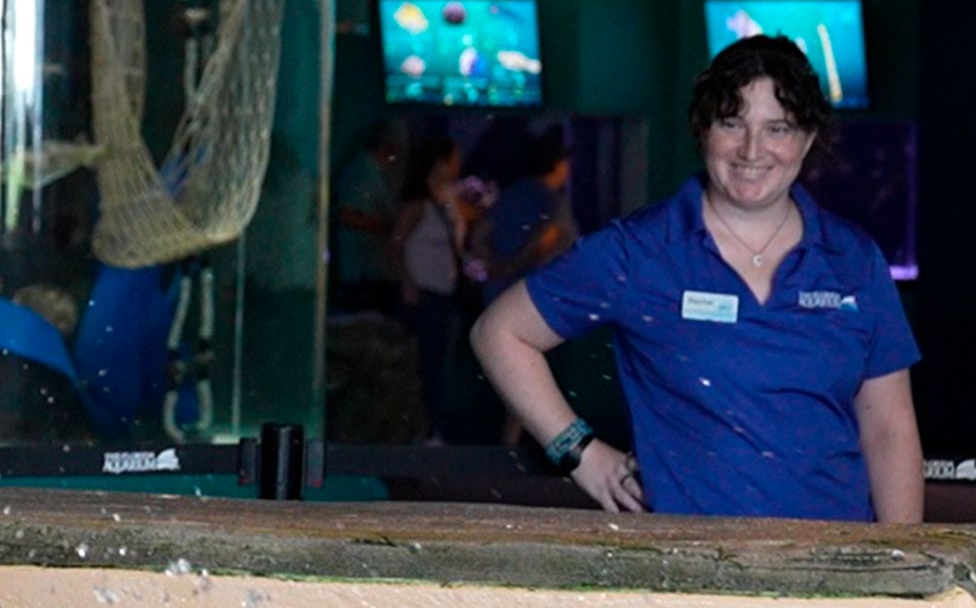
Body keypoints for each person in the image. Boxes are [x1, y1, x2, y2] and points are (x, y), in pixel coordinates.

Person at [469, 36, 922, 521]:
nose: (752, 149)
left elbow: (889, 431)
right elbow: (499, 333)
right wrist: (582, 455)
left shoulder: (853, 259)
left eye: (778, 128)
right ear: (703, 129)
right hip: (692, 572)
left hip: (832, 571)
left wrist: (906, 573)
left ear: (807, 139)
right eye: (732, 122)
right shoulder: (642, 250)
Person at [388, 138, 465, 443]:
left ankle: (430, 428)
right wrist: (407, 281)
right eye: (454, 158)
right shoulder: (419, 204)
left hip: (442, 292)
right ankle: (422, 431)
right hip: (423, 293)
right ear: (441, 162)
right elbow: (395, 243)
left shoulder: (444, 200)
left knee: (437, 363)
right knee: (425, 364)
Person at [474, 126, 576, 301]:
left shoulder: (511, 194)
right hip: (536, 298)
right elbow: (543, 243)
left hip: (498, 296)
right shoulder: (554, 204)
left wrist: (492, 266)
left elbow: (479, 234)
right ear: (559, 165)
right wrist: (512, 268)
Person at [330, 119, 406, 314]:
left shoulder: (375, 172)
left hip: (371, 270)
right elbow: (346, 215)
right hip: (361, 272)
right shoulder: (363, 171)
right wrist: (390, 227)